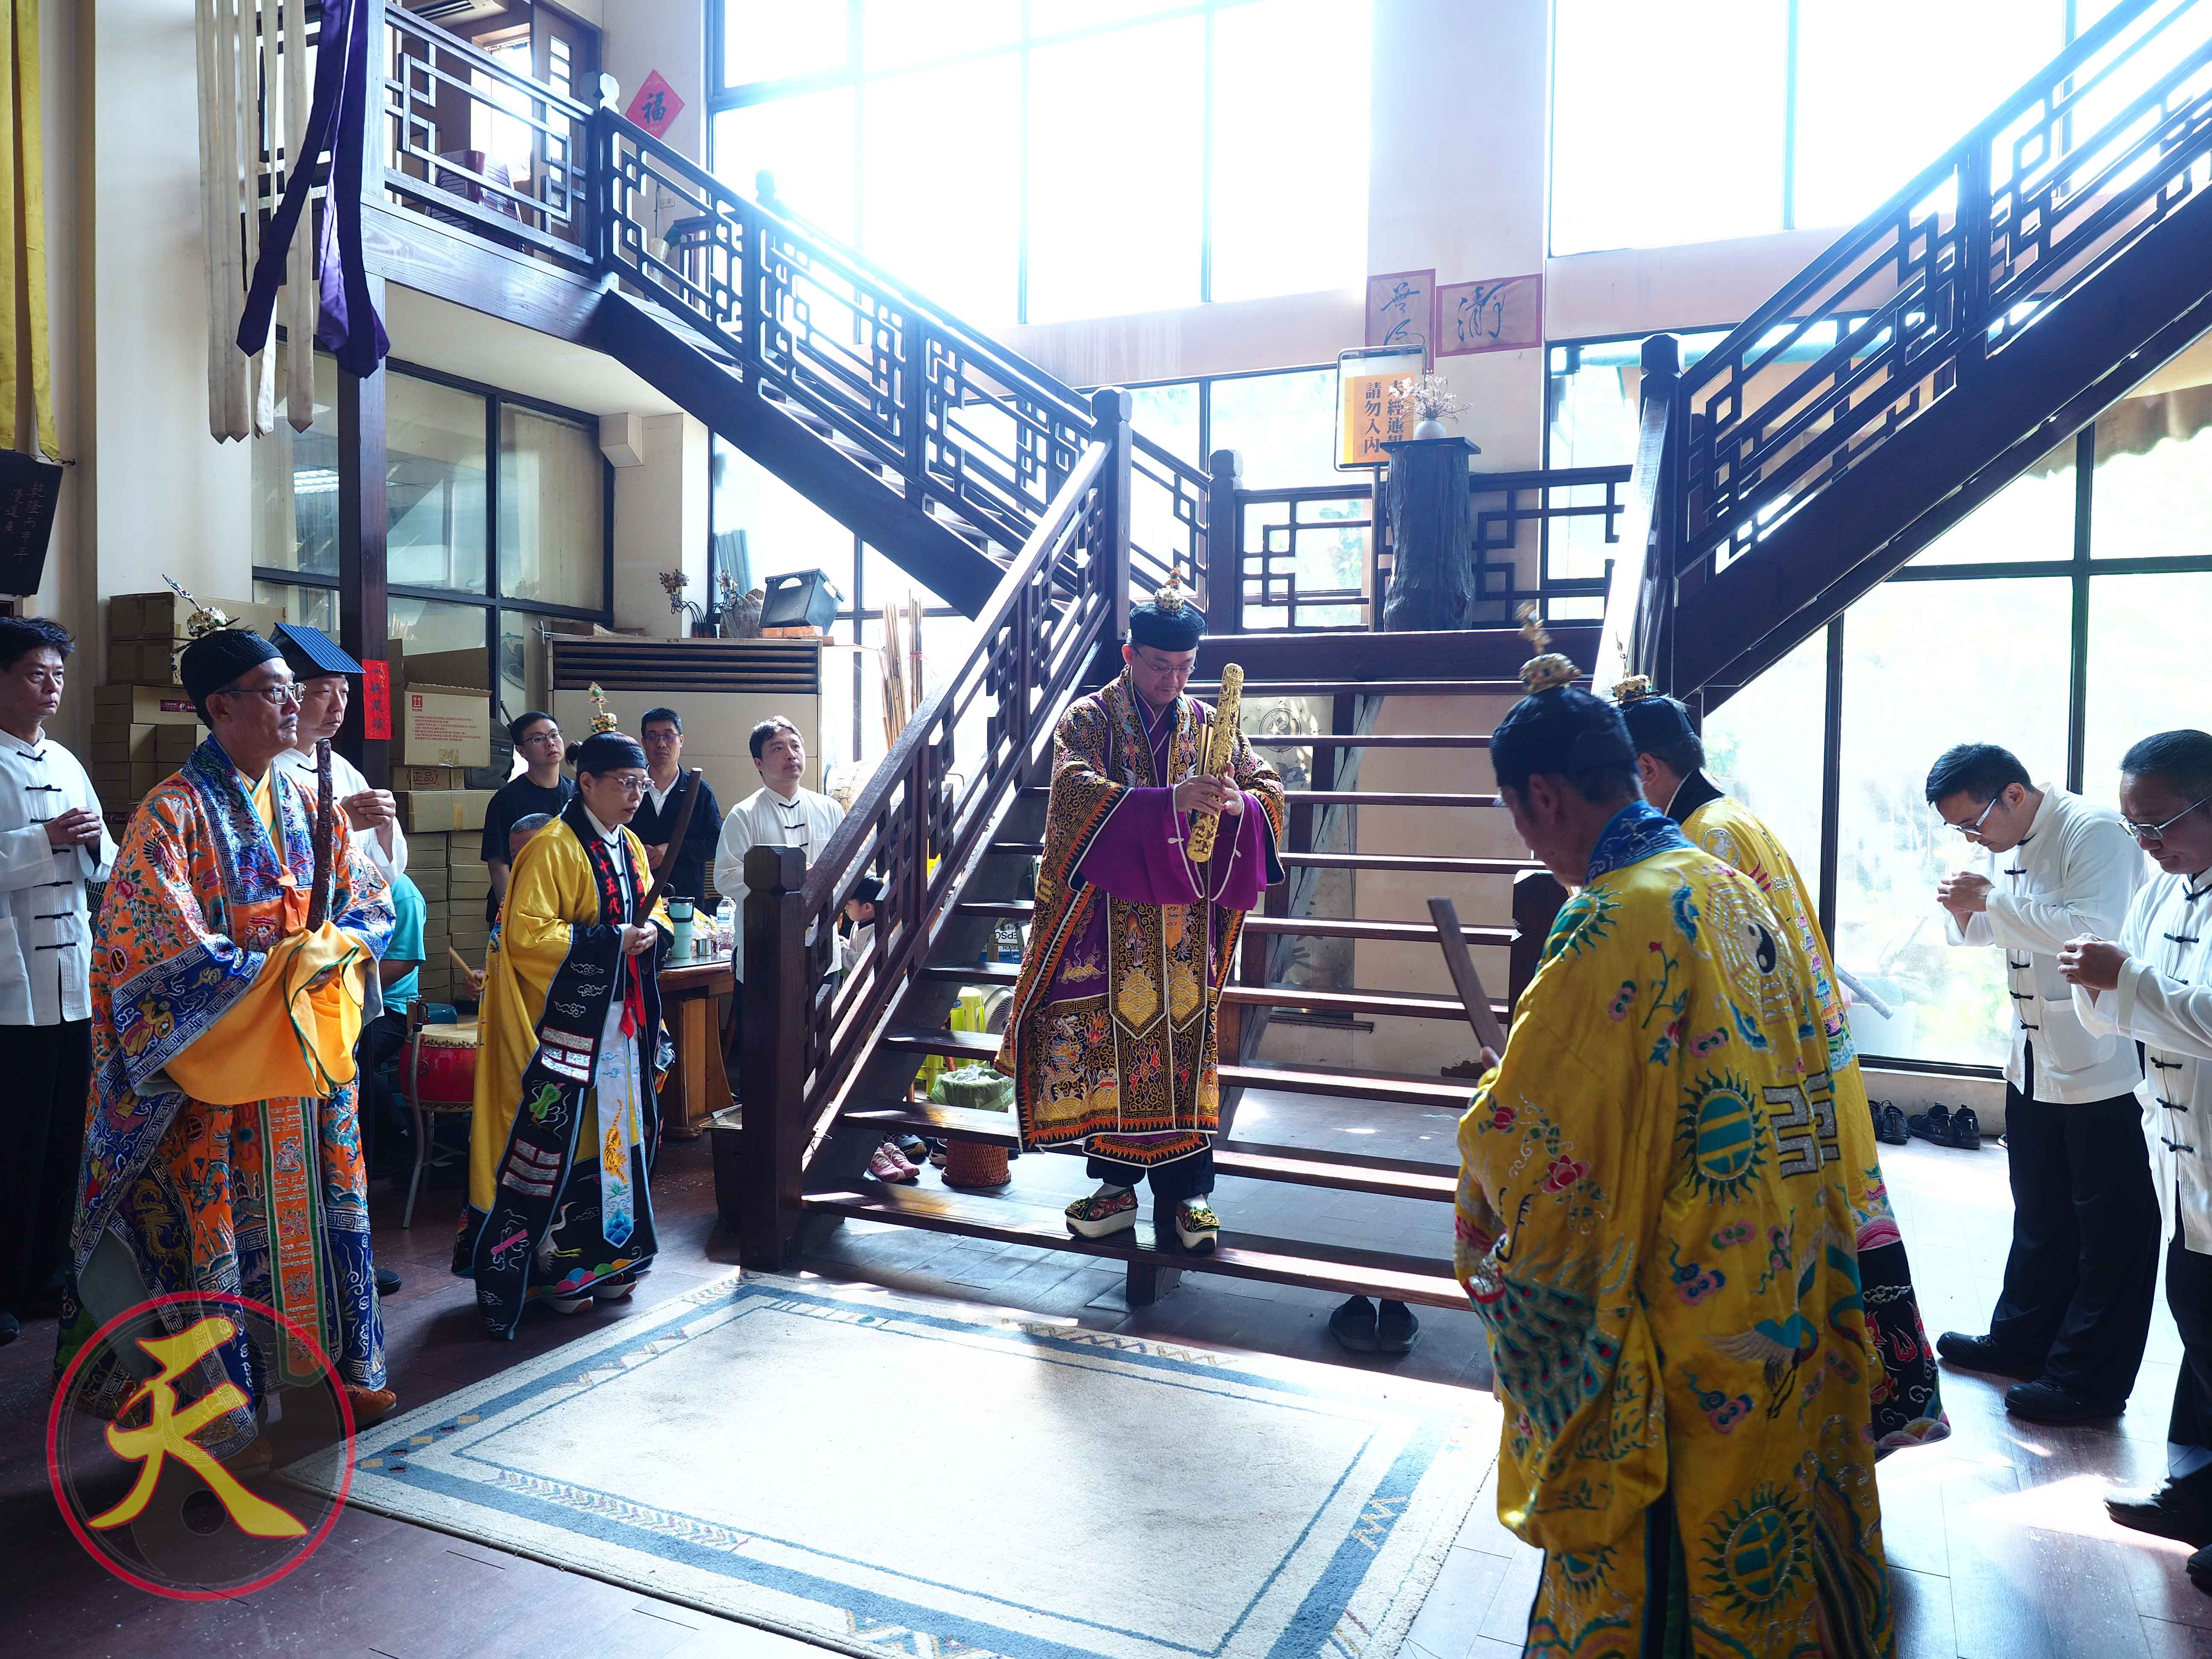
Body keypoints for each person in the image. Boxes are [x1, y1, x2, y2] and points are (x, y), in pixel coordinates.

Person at [1454, 629, 1891, 1653]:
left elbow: (1541, 1135)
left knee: (1674, 1540)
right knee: (1763, 1502)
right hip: (1778, 1263)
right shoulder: (1728, 883)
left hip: (1675, 1285)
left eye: (1516, 814)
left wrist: (1488, 1121)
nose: (1528, 840)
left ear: (1542, 798)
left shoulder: (1612, 918)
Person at [61, 622, 398, 1446]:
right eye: (275, 691)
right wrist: (283, 967)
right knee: (216, 1223)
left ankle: (335, 1372)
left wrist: (327, 952)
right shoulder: (170, 811)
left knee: (326, 1207)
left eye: (293, 690)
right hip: (223, 1070)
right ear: (220, 706)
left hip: (305, 1061)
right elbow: (153, 950)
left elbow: (370, 904)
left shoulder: (311, 801)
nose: (293, 705)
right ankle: (222, 1406)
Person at [1615, 678, 1948, 1453]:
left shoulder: (1705, 839)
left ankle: (1816, 1421)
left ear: (1648, 768)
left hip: (1768, 1066)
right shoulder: (1729, 820)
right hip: (1809, 1057)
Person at [994, 578, 1285, 1257]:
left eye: (1185, 668)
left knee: (1186, 1048)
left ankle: (1188, 1196)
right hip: (1108, 920)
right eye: (1160, 666)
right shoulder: (1089, 719)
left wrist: (1241, 806)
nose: (1173, 680)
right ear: (1129, 655)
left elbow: (1267, 786)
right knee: (1110, 1047)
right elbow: (1073, 794)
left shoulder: (1211, 725)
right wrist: (1168, 802)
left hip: (1185, 928)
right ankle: (1114, 1189)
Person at [1927, 741, 2155, 1425]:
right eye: (1959, 830)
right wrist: (1967, 910)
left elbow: (2092, 931)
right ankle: (2021, 1344)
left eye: (1973, 824)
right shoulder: (2007, 840)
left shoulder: (2095, 830)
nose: (1972, 840)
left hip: (2102, 1062)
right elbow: (1990, 931)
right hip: (2032, 1055)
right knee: (2039, 1213)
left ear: (2014, 795)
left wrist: (1991, 902)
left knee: (2109, 1232)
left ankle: (2089, 1382)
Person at [2057, 730, 2212, 1582]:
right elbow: (2129, 1008)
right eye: (2134, 826)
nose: (2147, 843)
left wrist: (2125, 981)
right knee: (2197, 1324)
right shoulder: (2160, 889)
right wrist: (2095, 987)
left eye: (2160, 823)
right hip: (2180, 1157)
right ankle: (2194, 1493)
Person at [459, 730, 671, 1338]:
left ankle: (611, 1259)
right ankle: (551, 1275)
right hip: (559, 1029)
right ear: (588, 783)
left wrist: (652, 931)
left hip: (618, 1023)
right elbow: (527, 938)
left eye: (641, 784)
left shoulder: (630, 844)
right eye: (625, 783)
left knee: (616, 1138)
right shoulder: (551, 848)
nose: (636, 795)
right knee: (559, 1146)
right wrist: (612, 941)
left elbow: (650, 907)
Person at [0, 618, 112, 1348]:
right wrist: (44, 839)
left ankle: (47, 1271)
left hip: (72, 973)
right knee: (10, 1137)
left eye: (59, 674)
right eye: (37, 673)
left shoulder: (67, 760)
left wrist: (95, 843)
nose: (53, 686)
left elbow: (104, 862)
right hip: (11, 982)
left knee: (67, 1132)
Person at [713, 716, 846, 1074]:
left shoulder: (830, 809)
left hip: (821, 947)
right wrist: (783, 879)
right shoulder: (744, 814)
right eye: (778, 748)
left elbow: (847, 868)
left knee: (817, 1043)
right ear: (759, 762)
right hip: (764, 948)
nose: (791, 754)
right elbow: (725, 878)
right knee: (765, 1050)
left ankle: (817, 1107)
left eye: (796, 746)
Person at [271, 622, 406, 884]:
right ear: (289, 696)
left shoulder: (342, 768)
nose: (338, 706)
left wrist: (385, 824)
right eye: (323, 692)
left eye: (344, 692)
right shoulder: (263, 769)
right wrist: (340, 821)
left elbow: (385, 874)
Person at [355, 867, 427, 1293]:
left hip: (394, 1011)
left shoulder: (404, 892)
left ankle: (397, 1140)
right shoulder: (351, 879)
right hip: (353, 1002)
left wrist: (345, 985)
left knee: (353, 1065)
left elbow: (405, 960)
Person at [483, 710, 573, 929]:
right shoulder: (506, 799)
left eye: (554, 735)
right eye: (538, 739)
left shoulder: (577, 794)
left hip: (565, 907)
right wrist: (512, 916)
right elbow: (499, 865)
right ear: (521, 751)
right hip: (521, 906)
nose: (551, 743)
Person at [633, 707, 721, 904]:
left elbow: (715, 842)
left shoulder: (698, 789)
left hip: (685, 897)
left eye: (669, 736)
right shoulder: (631, 787)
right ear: (644, 743)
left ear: (681, 740)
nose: (661, 744)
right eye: (653, 737)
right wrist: (635, 850)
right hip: (636, 893)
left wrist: (673, 850)